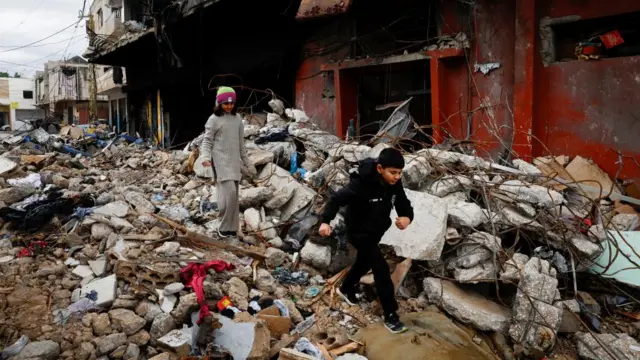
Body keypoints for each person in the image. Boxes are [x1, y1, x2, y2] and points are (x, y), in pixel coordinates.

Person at [318, 147, 413, 334]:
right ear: (380, 169)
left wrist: (406, 218)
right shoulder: (360, 184)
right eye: (392, 172)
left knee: (363, 262)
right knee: (381, 268)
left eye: (400, 173)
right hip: (359, 232)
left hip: (376, 231)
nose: (396, 177)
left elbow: (403, 204)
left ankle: (346, 287)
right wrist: (325, 222)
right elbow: (336, 199)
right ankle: (391, 315)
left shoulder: (394, 184)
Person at [200, 86, 257, 238]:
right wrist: (205, 157)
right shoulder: (213, 120)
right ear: (219, 104)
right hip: (220, 162)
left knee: (234, 198)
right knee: (229, 195)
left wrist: (248, 163)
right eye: (226, 104)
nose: (229, 106)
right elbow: (207, 142)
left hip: (234, 163)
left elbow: (241, 144)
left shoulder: (238, 119)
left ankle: (231, 229)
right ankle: (223, 226)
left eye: (231, 104)